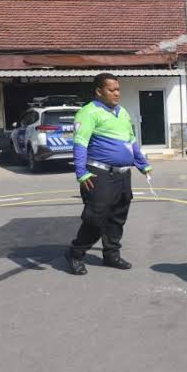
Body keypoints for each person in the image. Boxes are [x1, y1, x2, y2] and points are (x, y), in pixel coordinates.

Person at [66, 73, 153, 275]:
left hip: (123, 175)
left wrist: (142, 164)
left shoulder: (122, 112)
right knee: (96, 218)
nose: (116, 93)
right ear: (99, 91)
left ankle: (111, 254)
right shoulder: (88, 112)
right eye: (111, 90)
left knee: (118, 217)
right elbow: (80, 143)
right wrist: (81, 172)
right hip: (99, 174)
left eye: (118, 89)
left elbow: (131, 141)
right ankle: (75, 253)